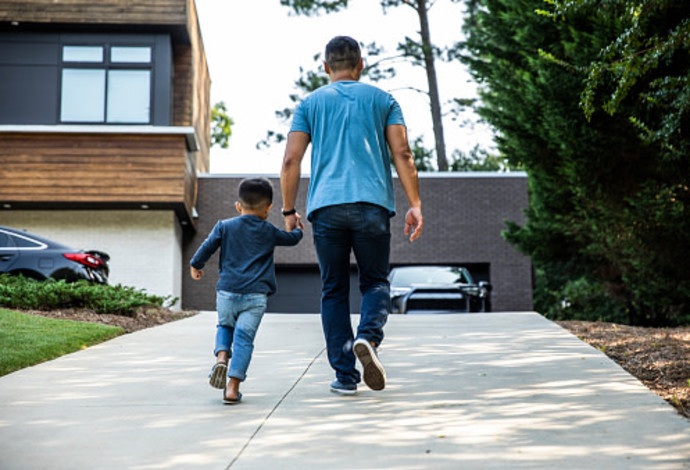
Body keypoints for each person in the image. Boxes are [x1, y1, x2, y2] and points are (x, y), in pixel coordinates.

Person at [280, 35, 424, 395]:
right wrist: (415, 204)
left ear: (326, 67)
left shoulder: (310, 104)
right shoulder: (384, 100)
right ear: (361, 65)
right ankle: (369, 340)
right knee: (375, 282)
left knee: (333, 291)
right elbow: (403, 153)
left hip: (326, 209)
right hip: (372, 206)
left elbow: (290, 160)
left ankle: (345, 377)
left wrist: (288, 210)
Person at [190, 177, 303, 404]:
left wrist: (196, 265)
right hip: (255, 296)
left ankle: (222, 358)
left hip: (227, 292)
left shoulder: (225, 226)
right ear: (269, 208)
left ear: (238, 206)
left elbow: (207, 247)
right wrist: (297, 228)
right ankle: (232, 388)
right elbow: (291, 240)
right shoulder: (269, 230)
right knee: (244, 339)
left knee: (224, 325)